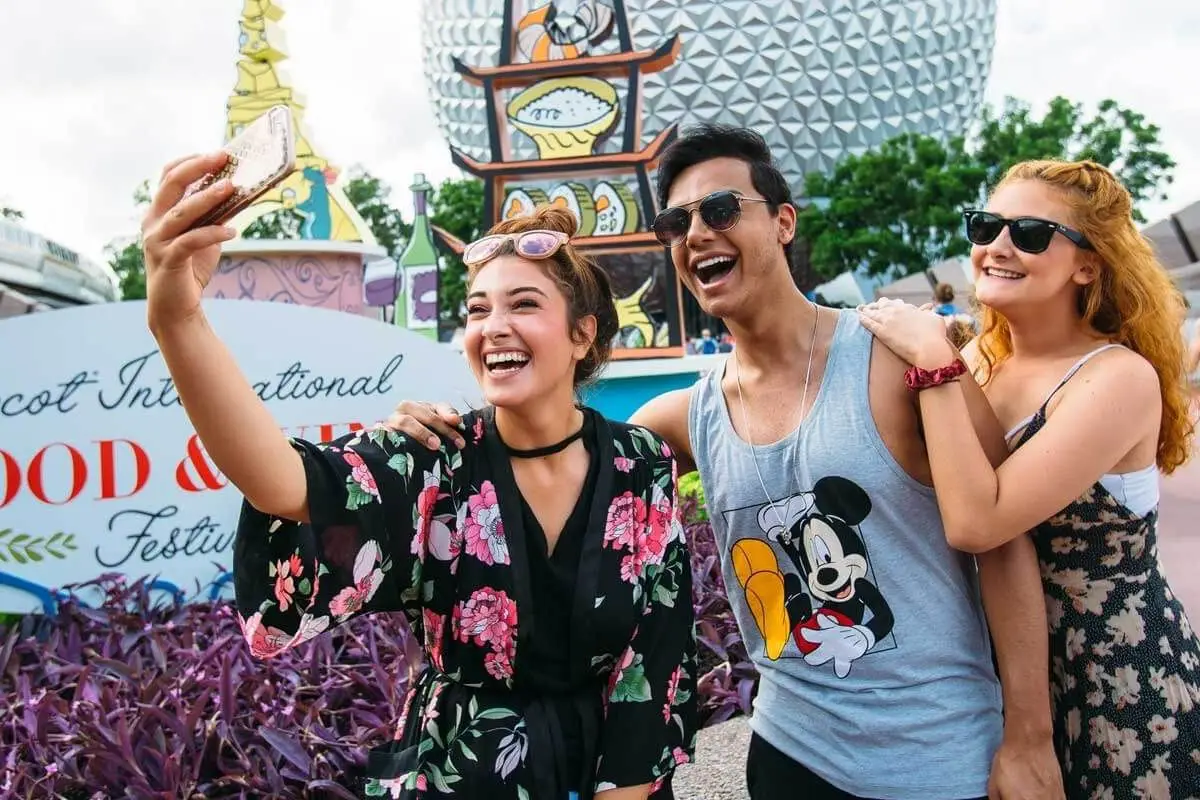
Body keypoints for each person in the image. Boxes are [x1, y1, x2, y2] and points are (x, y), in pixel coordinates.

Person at [384, 125, 1063, 800]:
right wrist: (439, 436)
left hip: (941, 757)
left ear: (783, 222)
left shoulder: (899, 359)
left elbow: (1002, 543)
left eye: (722, 209)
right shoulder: (685, 418)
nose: (698, 232)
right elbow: (546, 458)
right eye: (678, 222)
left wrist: (1029, 739)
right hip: (789, 755)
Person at [140, 154, 697, 800]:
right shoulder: (434, 457)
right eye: (478, 309)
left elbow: (653, 666)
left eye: (523, 304)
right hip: (458, 780)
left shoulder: (642, 466)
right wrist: (177, 320)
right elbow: (284, 483)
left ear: (582, 334)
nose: (494, 328)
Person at [858, 159, 1200, 798]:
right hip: (1000, 677)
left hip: (1116, 682)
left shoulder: (1115, 377)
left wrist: (934, 360)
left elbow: (978, 521)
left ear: (1088, 265)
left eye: (1033, 233)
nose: (998, 246)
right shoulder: (981, 364)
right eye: (986, 225)